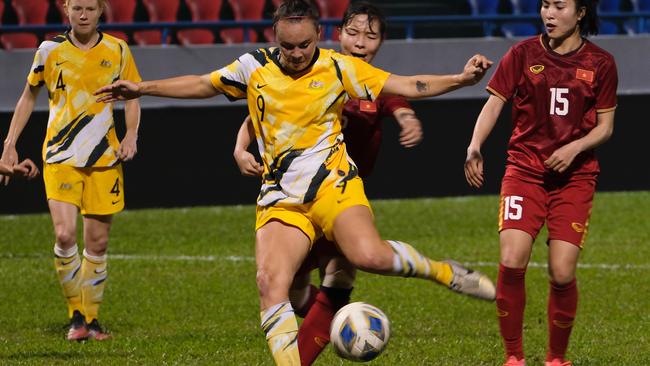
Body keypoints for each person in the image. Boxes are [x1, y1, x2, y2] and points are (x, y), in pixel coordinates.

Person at [95, 1, 495, 363]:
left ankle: (442, 272)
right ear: (275, 38)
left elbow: (408, 85)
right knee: (271, 284)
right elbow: (203, 84)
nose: (298, 54)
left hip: (334, 185)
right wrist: (142, 88)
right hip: (281, 197)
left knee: (369, 257)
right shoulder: (254, 67)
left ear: (319, 36)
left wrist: (461, 80)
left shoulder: (339, 67)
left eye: (304, 45)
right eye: (289, 46)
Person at [231, 3, 436, 364]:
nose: (361, 42)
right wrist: (239, 146)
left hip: (338, 196)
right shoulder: (315, 72)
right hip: (297, 198)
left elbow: (396, 100)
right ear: (337, 34)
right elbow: (262, 111)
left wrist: (407, 118)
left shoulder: (370, 80)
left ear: (381, 42)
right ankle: (340, 319)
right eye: (354, 33)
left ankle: (328, 325)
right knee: (291, 290)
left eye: (371, 36)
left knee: (338, 275)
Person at [463, 1, 617, 365]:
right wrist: (474, 145)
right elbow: (494, 104)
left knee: (562, 272)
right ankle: (514, 357)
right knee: (512, 259)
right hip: (524, 172)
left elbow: (606, 127)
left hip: (575, 177)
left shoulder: (601, 63)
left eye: (559, 6)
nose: (549, 13)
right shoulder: (522, 53)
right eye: (545, 4)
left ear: (580, 13)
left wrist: (574, 147)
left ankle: (556, 359)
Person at [1, 0, 142, 341]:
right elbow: (28, 96)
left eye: (90, 9)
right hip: (60, 156)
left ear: (101, 11)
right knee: (65, 235)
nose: (83, 14)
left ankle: (91, 322)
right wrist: (9, 143)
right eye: (77, 7)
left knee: (98, 243)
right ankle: (75, 316)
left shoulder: (118, 49)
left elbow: (133, 96)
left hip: (104, 160)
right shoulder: (49, 51)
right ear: (65, 10)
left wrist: (131, 134)